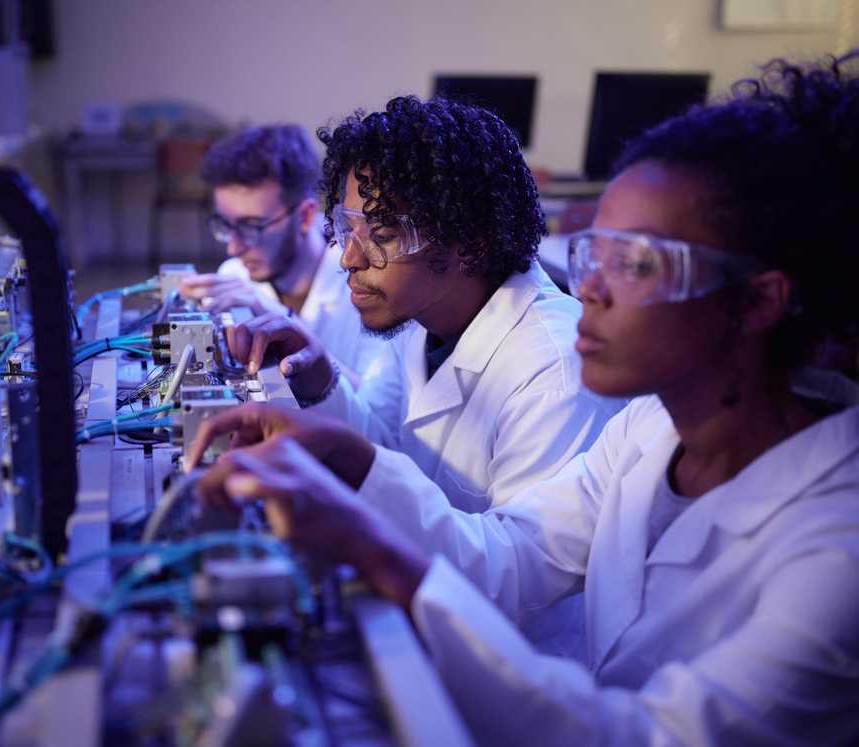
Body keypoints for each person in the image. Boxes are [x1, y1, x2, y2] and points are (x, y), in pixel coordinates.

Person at [190, 53, 859, 744]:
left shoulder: (839, 555)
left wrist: (379, 546)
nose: (590, 288)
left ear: (755, 301)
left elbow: (646, 735)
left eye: (635, 263)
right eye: (594, 253)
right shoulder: (652, 429)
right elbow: (510, 555)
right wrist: (347, 455)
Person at [224, 97, 623, 510]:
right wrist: (320, 381)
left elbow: (524, 567)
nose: (349, 259)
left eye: (381, 235)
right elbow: (383, 449)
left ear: (470, 243)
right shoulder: (422, 316)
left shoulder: (554, 369)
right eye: (347, 228)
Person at [177, 124, 380, 378]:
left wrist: (271, 313)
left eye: (251, 226)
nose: (233, 247)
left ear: (305, 217)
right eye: (225, 225)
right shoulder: (235, 276)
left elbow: (377, 412)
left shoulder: (368, 286)